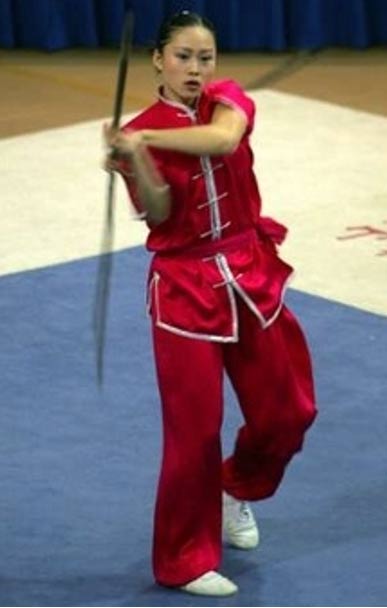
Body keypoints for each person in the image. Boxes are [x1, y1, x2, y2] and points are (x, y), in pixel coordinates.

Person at [104, 10, 317, 597]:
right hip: (182, 290)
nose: (196, 69)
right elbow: (160, 212)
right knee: (193, 432)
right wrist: (134, 161)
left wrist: (144, 138)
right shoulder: (139, 130)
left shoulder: (227, 100)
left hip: (249, 274)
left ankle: (236, 488)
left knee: (289, 410)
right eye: (183, 57)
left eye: (205, 58)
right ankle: (182, 559)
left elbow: (224, 140)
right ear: (157, 60)